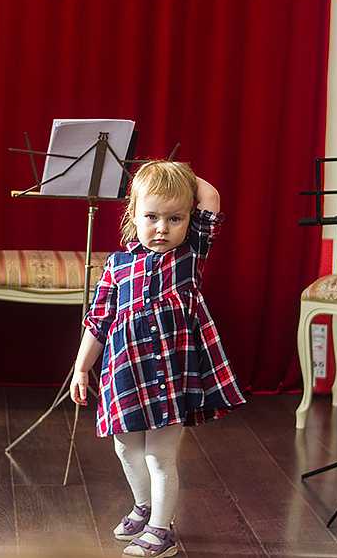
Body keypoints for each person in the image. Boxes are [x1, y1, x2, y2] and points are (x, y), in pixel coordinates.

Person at [70, 160, 246, 558]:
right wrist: (82, 368)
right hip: (126, 372)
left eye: (175, 218)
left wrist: (172, 174)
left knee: (159, 454)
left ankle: (161, 530)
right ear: (133, 214)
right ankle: (145, 506)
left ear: (188, 221)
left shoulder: (191, 253)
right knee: (125, 447)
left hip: (170, 374)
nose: (163, 228)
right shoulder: (117, 265)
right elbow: (99, 321)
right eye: (151, 216)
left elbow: (211, 196)